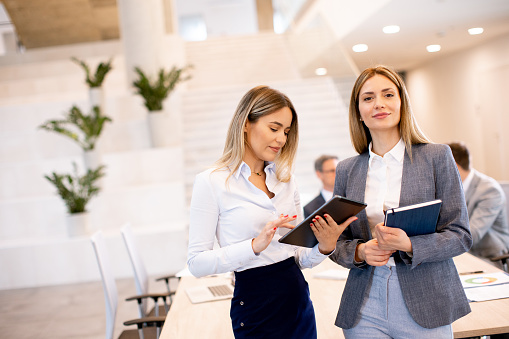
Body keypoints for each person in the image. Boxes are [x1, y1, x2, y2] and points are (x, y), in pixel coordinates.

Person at [187, 85, 357, 339]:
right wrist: (254, 246)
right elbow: (196, 263)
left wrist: (324, 246)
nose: (281, 139)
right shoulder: (212, 181)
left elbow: (299, 257)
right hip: (255, 307)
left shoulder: (286, 180)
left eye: (286, 132)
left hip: (298, 301)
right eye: (274, 128)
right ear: (246, 123)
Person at [329, 65, 472, 338]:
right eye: (368, 98)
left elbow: (460, 235)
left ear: (402, 103)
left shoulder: (437, 157)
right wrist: (360, 252)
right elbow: (337, 242)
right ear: (358, 111)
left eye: (388, 95)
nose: (379, 104)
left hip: (426, 298)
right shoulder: (348, 169)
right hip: (364, 301)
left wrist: (409, 245)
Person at [447, 141, 509, 266]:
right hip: (464, 255)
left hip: (490, 258)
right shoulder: (451, 188)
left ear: (455, 166)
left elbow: (472, 234)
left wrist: (434, 247)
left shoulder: (489, 191)